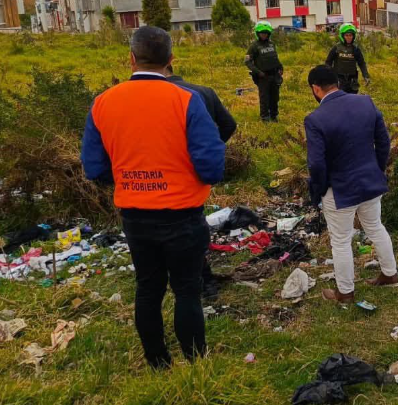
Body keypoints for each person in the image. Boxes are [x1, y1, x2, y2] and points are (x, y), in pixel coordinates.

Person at [81, 26, 225, 369]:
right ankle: (195, 361)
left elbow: (93, 167)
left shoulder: (103, 102)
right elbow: (211, 166)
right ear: (171, 59)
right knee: (187, 289)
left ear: (131, 59)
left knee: (148, 288)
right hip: (183, 213)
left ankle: (157, 361)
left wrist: (129, 179)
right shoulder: (186, 100)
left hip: (135, 214)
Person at [304, 65, 398, 304]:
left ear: (315, 89)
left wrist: (320, 189)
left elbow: (316, 163)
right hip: (370, 181)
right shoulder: (365, 102)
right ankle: (390, 274)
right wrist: (376, 169)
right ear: (337, 82)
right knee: (375, 227)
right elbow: (383, 142)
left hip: (339, 189)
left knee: (341, 241)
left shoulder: (315, 119)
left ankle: (345, 292)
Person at [164, 63, 236, 300]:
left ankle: (193, 280)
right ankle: (203, 279)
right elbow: (229, 125)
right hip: (195, 172)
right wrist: (209, 150)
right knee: (193, 221)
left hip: (161, 173)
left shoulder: (158, 96)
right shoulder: (204, 91)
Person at [245, 21, 283, 122]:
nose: (264, 35)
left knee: (275, 97)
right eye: (262, 33)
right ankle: (265, 118)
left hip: (274, 75)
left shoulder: (272, 44)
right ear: (257, 33)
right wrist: (258, 72)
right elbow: (247, 62)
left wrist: (280, 67)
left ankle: (274, 116)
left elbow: (275, 58)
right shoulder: (254, 46)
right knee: (264, 98)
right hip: (263, 77)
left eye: (266, 33)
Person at [325, 23, 371, 94]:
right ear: (342, 36)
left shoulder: (356, 49)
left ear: (353, 36)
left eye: (350, 35)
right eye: (346, 35)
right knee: (340, 98)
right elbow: (328, 62)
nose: (349, 37)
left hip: (352, 80)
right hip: (339, 79)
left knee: (352, 98)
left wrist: (366, 76)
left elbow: (361, 63)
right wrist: (329, 76)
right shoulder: (336, 48)